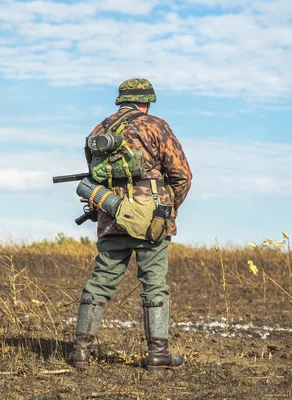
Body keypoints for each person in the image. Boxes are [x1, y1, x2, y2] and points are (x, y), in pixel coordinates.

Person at [69, 78, 193, 370]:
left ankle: (81, 353)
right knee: (154, 286)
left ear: (121, 100)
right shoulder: (155, 126)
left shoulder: (98, 130)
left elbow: (94, 175)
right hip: (152, 222)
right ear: (146, 101)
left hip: (111, 219)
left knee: (99, 284)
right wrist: (168, 210)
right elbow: (183, 176)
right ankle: (158, 355)